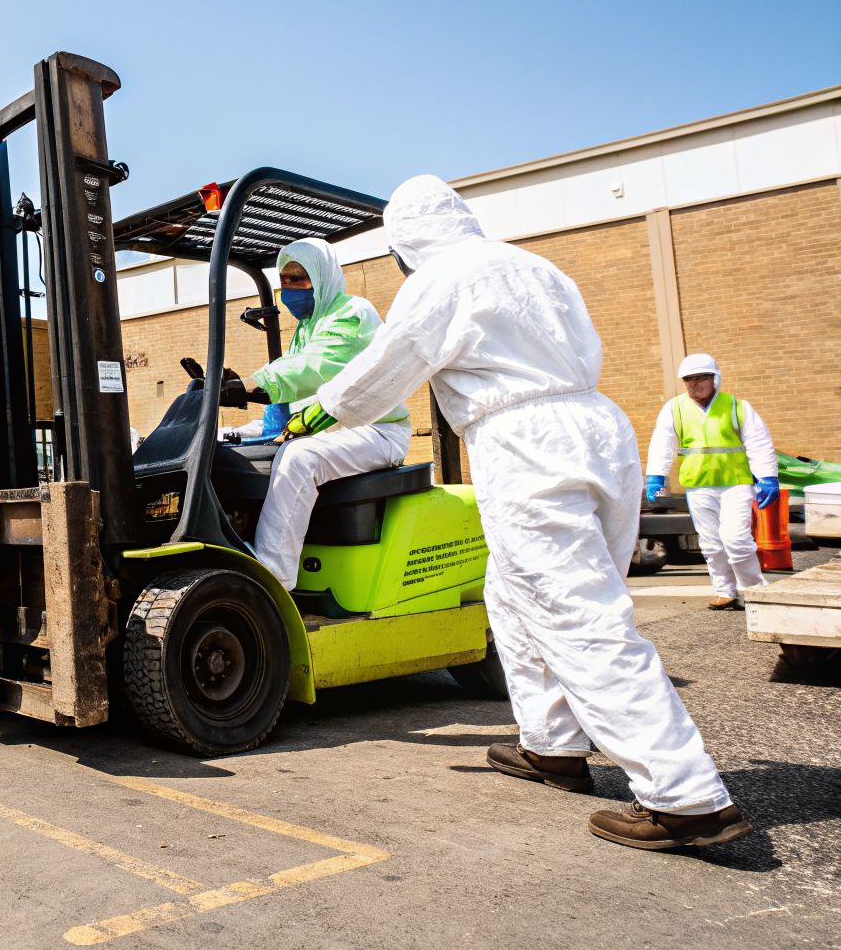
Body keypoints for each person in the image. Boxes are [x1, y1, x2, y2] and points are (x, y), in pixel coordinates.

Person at [294, 175, 748, 851]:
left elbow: (389, 366)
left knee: (578, 614)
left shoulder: (439, 278)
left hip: (526, 444)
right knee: (509, 596)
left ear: (405, 242)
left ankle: (684, 795)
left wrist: (316, 411)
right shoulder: (538, 267)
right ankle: (553, 747)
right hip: (597, 428)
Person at [245, 238, 410, 587]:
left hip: (377, 431)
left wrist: (253, 382)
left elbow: (315, 367)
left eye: (299, 279)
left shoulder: (351, 313)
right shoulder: (306, 328)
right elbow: (293, 380)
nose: (290, 289)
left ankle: (271, 581)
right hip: (330, 431)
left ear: (321, 277)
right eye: (285, 281)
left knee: (298, 458)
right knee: (231, 440)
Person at [644, 354, 779, 610]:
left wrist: (767, 477)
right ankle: (725, 590)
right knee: (711, 543)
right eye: (689, 379)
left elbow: (758, 442)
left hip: (735, 483)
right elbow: (662, 443)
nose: (695, 384)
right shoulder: (674, 408)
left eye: (701, 378)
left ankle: (754, 591)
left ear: (714, 378)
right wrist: (655, 476)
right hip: (699, 486)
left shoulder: (736, 407)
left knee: (736, 539)